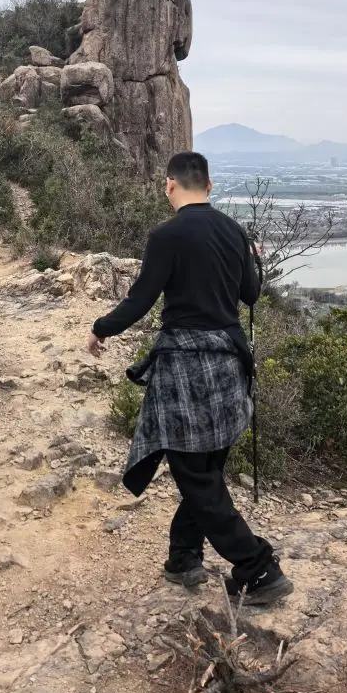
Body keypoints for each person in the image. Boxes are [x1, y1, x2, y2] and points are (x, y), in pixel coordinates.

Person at [88, 152, 293, 604]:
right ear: (210, 186)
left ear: (169, 185)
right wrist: (253, 261)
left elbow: (141, 298)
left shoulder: (166, 235)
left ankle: (258, 568)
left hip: (186, 368)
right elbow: (251, 294)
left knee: (195, 475)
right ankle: (184, 559)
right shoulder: (234, 231)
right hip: (231, 366)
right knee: (204, 472)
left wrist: (101, 328)